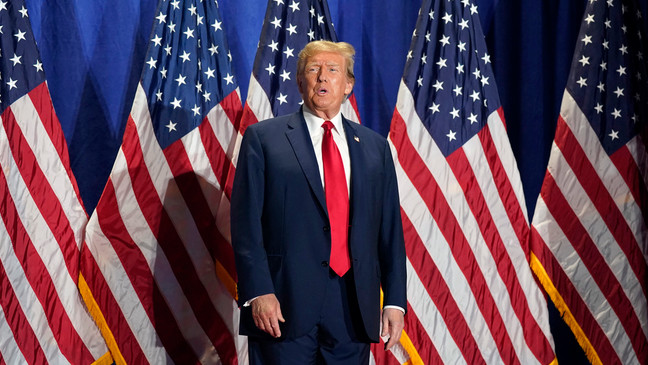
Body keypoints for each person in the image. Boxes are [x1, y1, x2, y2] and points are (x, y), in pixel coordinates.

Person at [231, 40, 406, 364]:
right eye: (313, 70)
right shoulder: (263, 139)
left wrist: (395, 300)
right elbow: (245, 225)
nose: (322, 77)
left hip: (353, 310)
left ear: (348, 85)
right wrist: (258, 291)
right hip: (283, 306)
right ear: (300, 83)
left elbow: (390, 232)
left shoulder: (374, 148)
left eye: (332, 70)